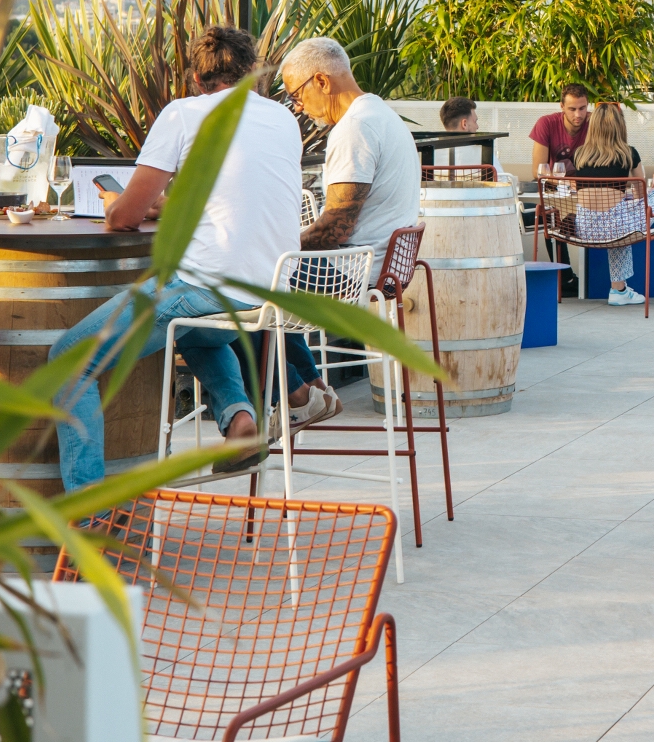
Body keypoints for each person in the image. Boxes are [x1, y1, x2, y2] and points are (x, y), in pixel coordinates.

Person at [50, 27, 301, 490]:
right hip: (268, 293)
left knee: (68, 359)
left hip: (207, 288)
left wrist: (117, 205)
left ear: (196, 79)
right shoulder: (283, 118)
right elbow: (231, 194)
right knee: (197, 333)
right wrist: (160, 205)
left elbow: (124, 219)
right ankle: (241, 423)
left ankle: (87, 515)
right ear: (253, 72)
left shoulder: (184, 114)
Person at [281, 37, 423, 415]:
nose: (298, 107)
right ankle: (312, 389)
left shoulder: (354, 128)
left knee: (243, 284)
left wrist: (280, 246)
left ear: (321, 81)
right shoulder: (382, 114)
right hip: (378, 268)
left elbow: (337, 228)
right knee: (261, 278)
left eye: (296, 95)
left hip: (351, 273)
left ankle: (298, 395)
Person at [568, 103, 654, 307]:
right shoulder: (628, 153)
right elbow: (640, 196)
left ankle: (619, 290)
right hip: (616, 228)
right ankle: (618, 290)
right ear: (620, 126)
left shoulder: (579, 154)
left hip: (584, 229)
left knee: (618, 222)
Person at [530, 84, 591, 296]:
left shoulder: (595, 124)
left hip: (587, 189)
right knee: (549, 218)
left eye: (582, 108)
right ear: (562, 107)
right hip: (555, 190)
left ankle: (590, 281)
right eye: (572, 109)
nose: (578, 115)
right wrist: (566, 183)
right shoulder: (546, 123)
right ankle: (565, 280)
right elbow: (538, 171)